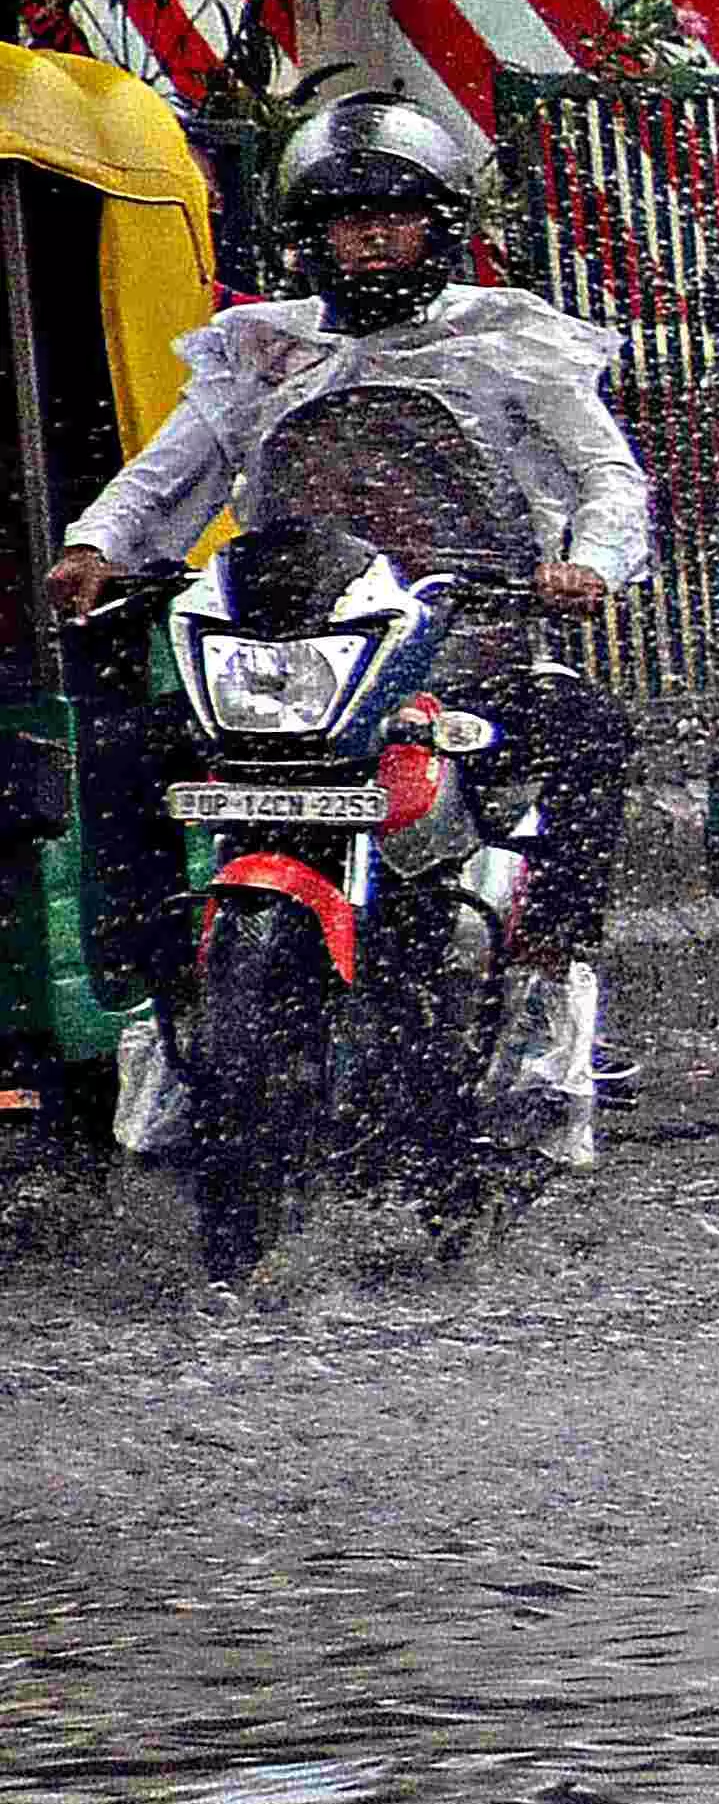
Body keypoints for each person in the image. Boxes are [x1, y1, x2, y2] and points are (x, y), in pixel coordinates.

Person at [43, 95, 648, 1160]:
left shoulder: (507, 341)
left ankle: (551, 983)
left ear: (442, 227)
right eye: (344, 218)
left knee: (592, 730)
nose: (370, 236)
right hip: (295, 661)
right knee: (131, 749)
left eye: (395, 214)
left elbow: (607, 479)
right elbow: (167, 475)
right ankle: (163, 999)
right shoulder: (262, 352)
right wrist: (98, 546)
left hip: (469, 646)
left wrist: (587, 567)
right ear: (307, 238)